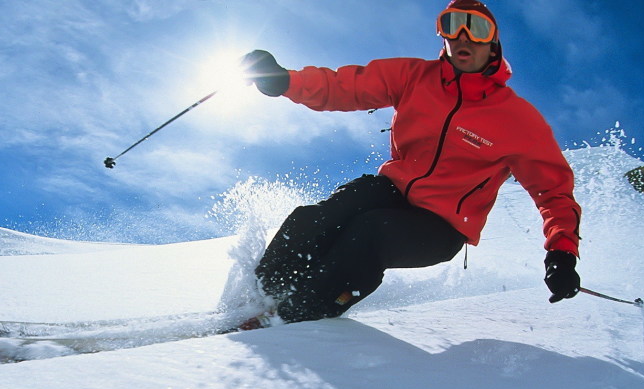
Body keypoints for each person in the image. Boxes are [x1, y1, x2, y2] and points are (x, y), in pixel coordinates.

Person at [240, 0, 582, 325]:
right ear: (443, 35)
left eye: (476, 29)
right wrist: (286, 80)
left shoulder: (517, 119)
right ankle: (260, 297)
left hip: (444, 225)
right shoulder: (415, 77)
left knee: (369, 234)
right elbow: (348, 86)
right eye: (452, 25)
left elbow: (553, 191)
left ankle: (297, 315)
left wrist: (561, 253)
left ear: (493, 44)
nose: (463, 37)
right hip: (394, 189)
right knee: (320, 217)